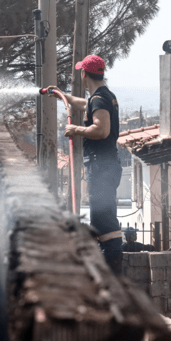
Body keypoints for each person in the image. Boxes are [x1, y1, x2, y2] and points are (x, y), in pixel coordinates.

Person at [46, 54, 123, 275]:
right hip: (106, 165)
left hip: (100, 167)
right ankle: (108, 268)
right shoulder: (103, 96)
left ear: (83, 74)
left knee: (102, 218)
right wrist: (64, 97)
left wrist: (76, 130)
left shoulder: (99, 99)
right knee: (104, 216)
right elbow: (87, 104)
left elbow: (102, 130)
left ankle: (112, 272)